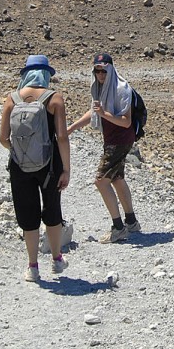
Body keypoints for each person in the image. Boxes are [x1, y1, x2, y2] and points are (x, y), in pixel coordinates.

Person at [0, 54, 71, 282]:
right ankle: (57, 259)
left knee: (27, 215)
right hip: (50, 165)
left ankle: (32, 267)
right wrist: (66, 169)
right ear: (46, 74)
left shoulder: (11, 99)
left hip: (19, 165)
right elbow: (61, 137)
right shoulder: (54, 98)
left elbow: (2, 138)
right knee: (52, 210)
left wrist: (18, 152)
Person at [68, 52, 140, 243]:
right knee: (116, 178)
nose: (100, 75)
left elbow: (125, 122)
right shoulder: (101, 88)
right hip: (112, 139)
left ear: (111, 69)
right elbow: (94, 111)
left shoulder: (121, 89)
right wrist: (72, 128)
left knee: (101, 181)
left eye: (104, 71)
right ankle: (131, 222)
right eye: (97, 71)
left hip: (120, 139)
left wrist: (105, 114)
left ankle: (118, 227)